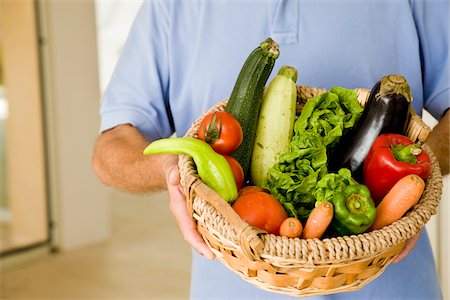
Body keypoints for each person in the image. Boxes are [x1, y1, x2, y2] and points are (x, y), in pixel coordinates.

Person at [92, 1, 449, 299]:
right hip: (230, 285)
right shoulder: (173, 6)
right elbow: (110, 152)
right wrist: (177, 170)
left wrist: (412, 182)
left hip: (393, 286)